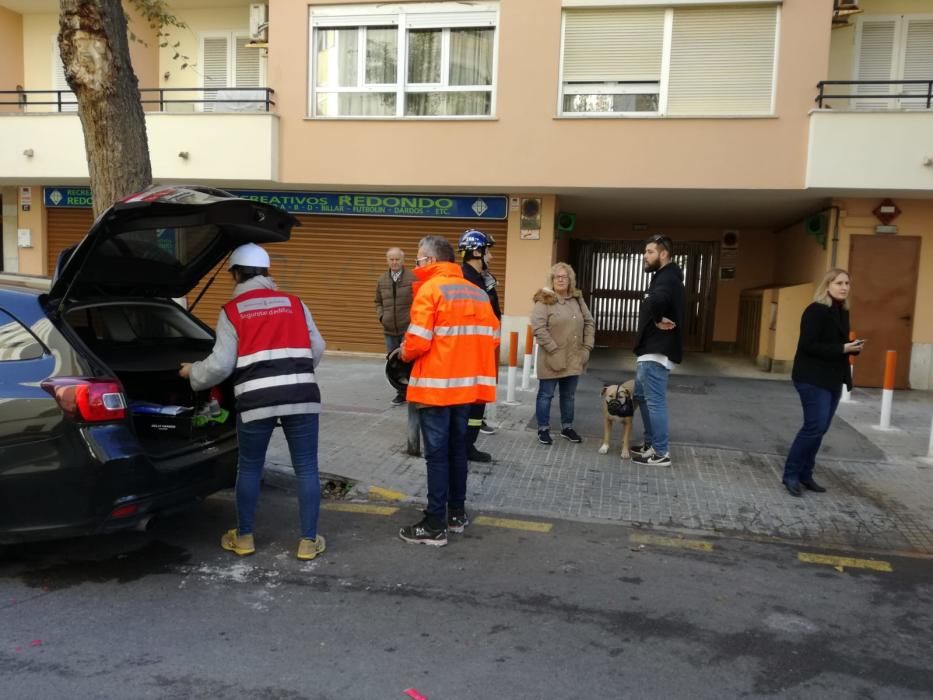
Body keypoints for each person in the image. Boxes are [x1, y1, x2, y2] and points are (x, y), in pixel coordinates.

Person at [179, 243, 328, 561]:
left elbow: (220, 366)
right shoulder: (295, 303)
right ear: (267, 272)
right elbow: (317, 346)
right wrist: (294, 370)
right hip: (301, 395)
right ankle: (307, 542)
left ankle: (244, 537)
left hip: (255, 400)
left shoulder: (232, 311)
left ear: (235, 274)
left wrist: (193, 373)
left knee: (249, 467)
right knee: (306, 468)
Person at [397, 235, 500, 546]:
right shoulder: (478, 293)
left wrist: (402, 352)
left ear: (430, 260)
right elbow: (493, 336)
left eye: (417, 259)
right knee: (457, 452)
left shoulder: (431, 289)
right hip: (466, 390)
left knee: (437, 456)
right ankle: (456, 514)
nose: (415, 265)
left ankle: (434, 524)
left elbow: (417, 342)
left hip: (437, 390)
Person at [782, 268, 864, 497]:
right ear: (827, 285)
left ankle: (806, 475)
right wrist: (842, 348)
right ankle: (790, 475)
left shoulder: (842, 311)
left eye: (847, 283)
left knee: (820, 429)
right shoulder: (815, 311)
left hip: (832, 378)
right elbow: (808, 345)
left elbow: (837, 345)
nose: (844, 287)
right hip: (811, 377)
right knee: (813, 427)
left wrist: (852, 348)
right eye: (839, 283)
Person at [631, 234, 685, 468]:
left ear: (664, 254)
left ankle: (661, 452)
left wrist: (655, 319)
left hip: (656, 351)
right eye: (645, 252)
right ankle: (651, 445)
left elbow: (656, 301)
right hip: (650, 351)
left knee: (654, 402)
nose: (645, 256)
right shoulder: (664, 277)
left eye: (650, 252)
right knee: (643, 398)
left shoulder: (667, 276)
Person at [531, 262, 595, 446]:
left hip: (574, 356)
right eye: (557, 276)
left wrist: (587, 347)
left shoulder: (577, 299)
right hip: (551, 358)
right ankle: (543, 429)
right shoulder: (544, 300)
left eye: (564, 276)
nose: (560, 279)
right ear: (551, 280)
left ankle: (567, 427)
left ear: (570, 280)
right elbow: (538, 327)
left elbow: (589, 323)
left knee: (569, 396)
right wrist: (553, 349)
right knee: (546, 395)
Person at [458, 229, 502, 463]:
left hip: (482, 355)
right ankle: (460, 447)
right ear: (476, 251)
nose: (491, 257)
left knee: (477, 406)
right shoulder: (462, 281)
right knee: (466, 405)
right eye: (488, 251)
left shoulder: (483, 280)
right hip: (467, 357)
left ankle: (468, 445)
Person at [374, 247, 416, 406]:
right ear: (387, 260)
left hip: (408, 329)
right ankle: (401, 392)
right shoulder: (382, 279)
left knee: (409, 360)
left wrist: (413, 320)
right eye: (391, 259)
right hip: (389, 329)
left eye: (397, 259)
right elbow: (377, 301)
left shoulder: (413, 278)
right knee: (394, 362)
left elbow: (419, 301)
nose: (394, 262)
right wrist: (382, 316)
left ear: (403, 260)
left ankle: (412, 391)